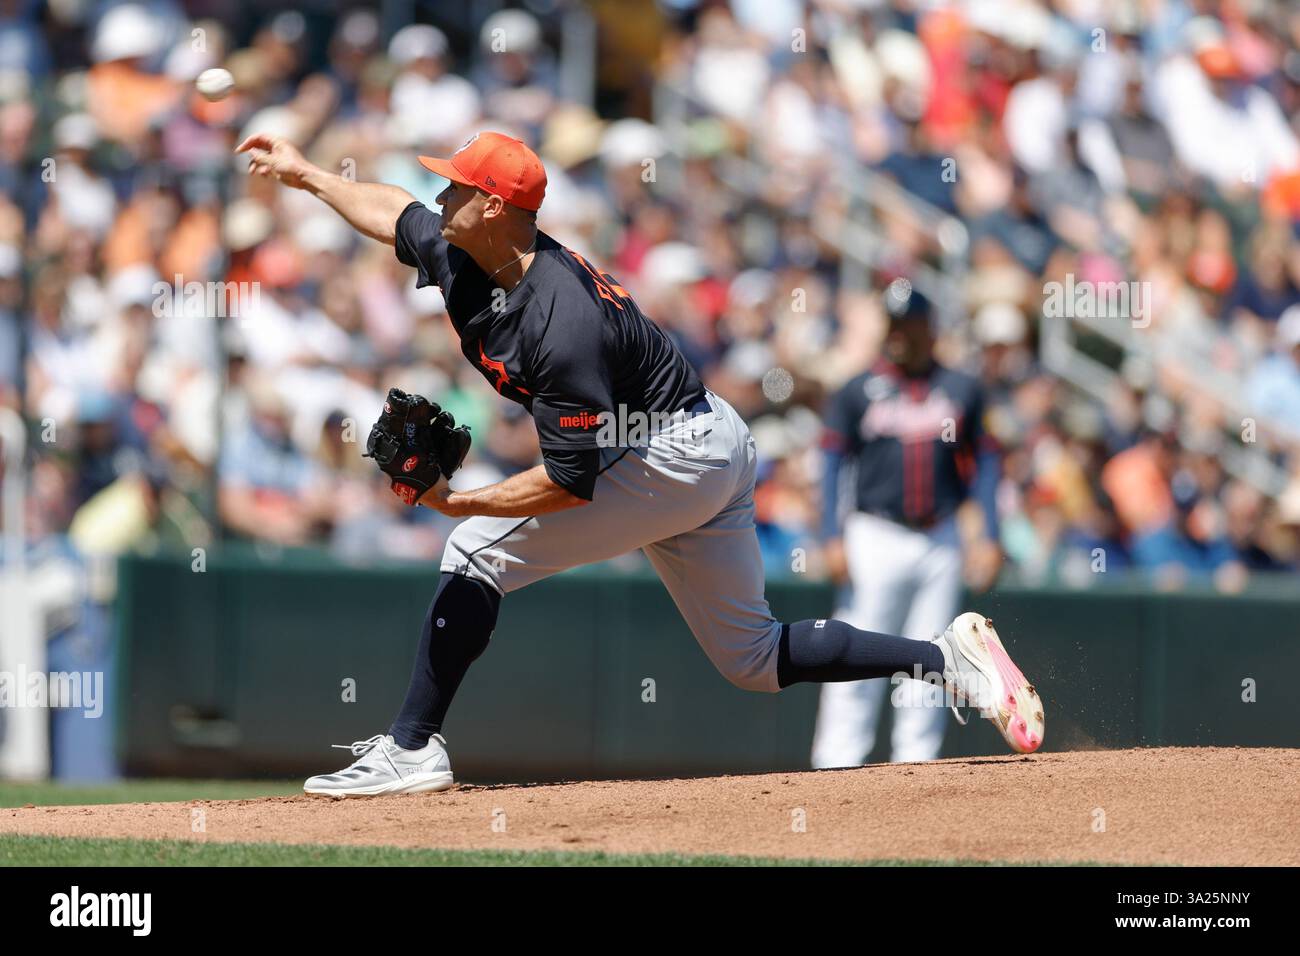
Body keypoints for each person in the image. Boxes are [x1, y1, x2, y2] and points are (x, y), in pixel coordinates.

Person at [236, 129, 1044, 796]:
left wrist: (461, 504)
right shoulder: (465, 250)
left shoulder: (560, 321)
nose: (439, 199)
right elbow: (393, 212)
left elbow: (567, 481)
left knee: (471, 552)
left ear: (493, 206)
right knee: (754, 661)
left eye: (456, 188)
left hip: (676, 455)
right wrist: (306, 174)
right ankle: (950, 660)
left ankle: (412, 747)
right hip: (696, 444)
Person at [812, 281, 1005, 767]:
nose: (899, 336)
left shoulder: (962, 388)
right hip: (874, 534)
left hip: (940, 537)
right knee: (856, 649)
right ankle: (837, 762)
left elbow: (985, 464)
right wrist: (830, 535)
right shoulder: (858, 390)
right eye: (894, 325)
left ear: (928, 328)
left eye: (909, 325)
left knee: (935, 658)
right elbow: (831, 466)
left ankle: (916, 767)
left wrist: (991, 533)